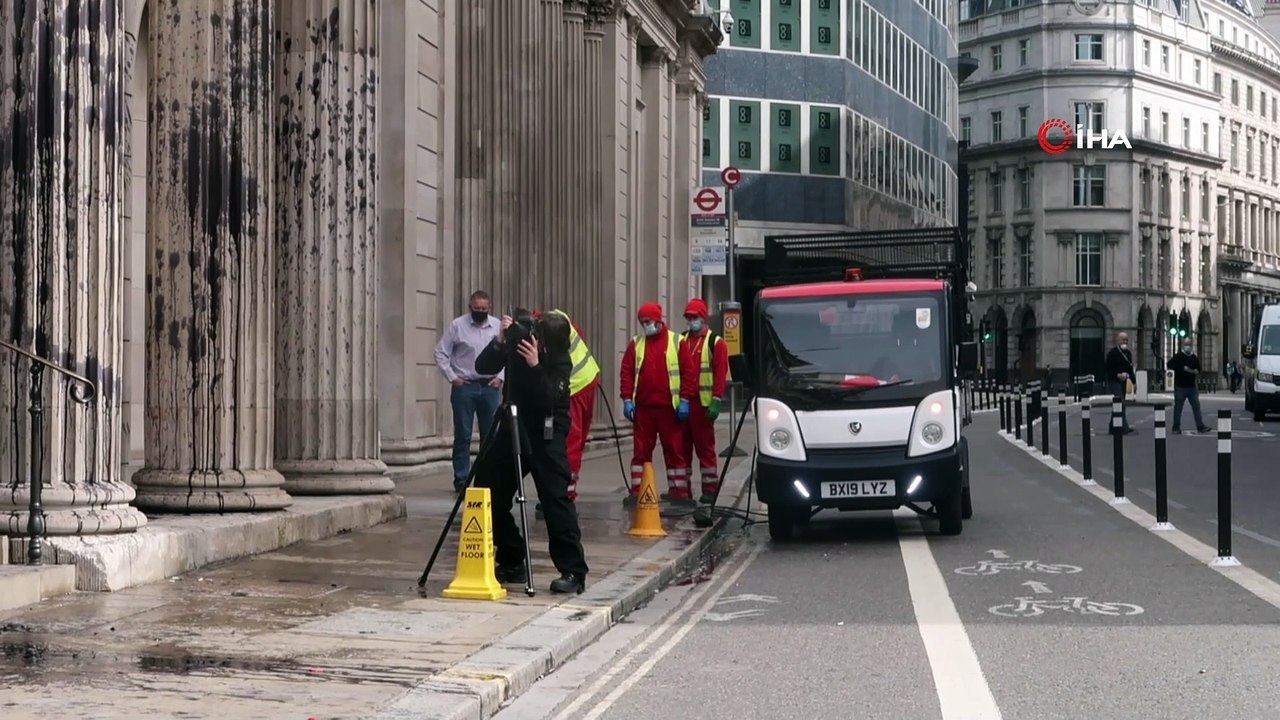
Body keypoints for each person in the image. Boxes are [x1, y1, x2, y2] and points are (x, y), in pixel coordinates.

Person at [472, 310, 588, 594]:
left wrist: (536, 365)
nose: (534, 339)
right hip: (513, 426)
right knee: (487, 490)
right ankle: (512, 559)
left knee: (555, 500)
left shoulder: (560, 359)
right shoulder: (520, 344)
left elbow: (550, 397)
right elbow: (483, 365)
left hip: (546, 434)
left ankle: (573, 570)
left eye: (540, 336)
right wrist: (500, 342)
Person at [619, 302, 692, 505]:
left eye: (648, 321)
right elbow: (626, 372)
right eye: (642, 322)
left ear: (658, 320)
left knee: (675, 451)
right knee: (641, 452)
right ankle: (638, 492)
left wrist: (685, 399)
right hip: (644, 409)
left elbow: (688, 374)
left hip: (670, 408)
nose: (645, 326)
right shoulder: (636, 344)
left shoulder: (677, 342)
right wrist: (627, 399)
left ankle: (679, 492)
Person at [434, 291, 505, 493]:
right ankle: (462, 479)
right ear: (470, 307)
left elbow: (507, 354)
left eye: (484, 309)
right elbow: (440, 352)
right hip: (465, 386)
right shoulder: (458, 326)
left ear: (489, 307)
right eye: (477, 309)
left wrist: (500, 377)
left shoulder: (498, 326)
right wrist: (452, 377)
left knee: (489, 436)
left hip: (490, 386)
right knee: (463, 435)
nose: (480, 312)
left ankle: (487, 477)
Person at [533, 310, 600, 502]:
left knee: (567, 441)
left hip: (575, 386)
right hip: (588, 378)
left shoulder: (549, 329)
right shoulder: (560, 318)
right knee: (575, 442)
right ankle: (566, 490)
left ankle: (563, 493)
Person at [679, 299, 728, 505]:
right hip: (683, 402)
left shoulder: (715, 342)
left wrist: (716, 399)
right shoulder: (680, 340)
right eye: (689, 318)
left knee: (705, 448)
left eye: (694, 317)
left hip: (703, 404)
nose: (691, 321)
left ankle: (709, 489)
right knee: (681, 448)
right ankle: (683, 491)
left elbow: (720, 373)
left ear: (703, 318)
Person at [1167, 339, 1212, 434]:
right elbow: (1169, 364)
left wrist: (1197, 371)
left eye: (1189, 344)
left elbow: (1199, 368)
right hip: (1180, 386)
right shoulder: (1178, 356)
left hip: (1192, 387)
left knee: (1196, 407)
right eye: (1186, 344)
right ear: (1183, 345)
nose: (1188, 346)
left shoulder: (1193, 357)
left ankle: (1200, 426)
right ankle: (1176, 427)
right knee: (1178, 408)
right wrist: (1181, 368)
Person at [1103, 331, 1136, 435]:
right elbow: (1107, 368)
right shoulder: (1112, 353)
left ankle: (1112, 426)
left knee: (1119, 404)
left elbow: (1130, 369)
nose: (1125, 342)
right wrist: (1117, 374)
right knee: (1120, 402)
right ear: (1118, 340)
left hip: (1124, 382)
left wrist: (1134, 382)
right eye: (1123, 340)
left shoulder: (1128, 353)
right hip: (1114, 380)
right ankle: (1124, 427)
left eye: (1126, 340)